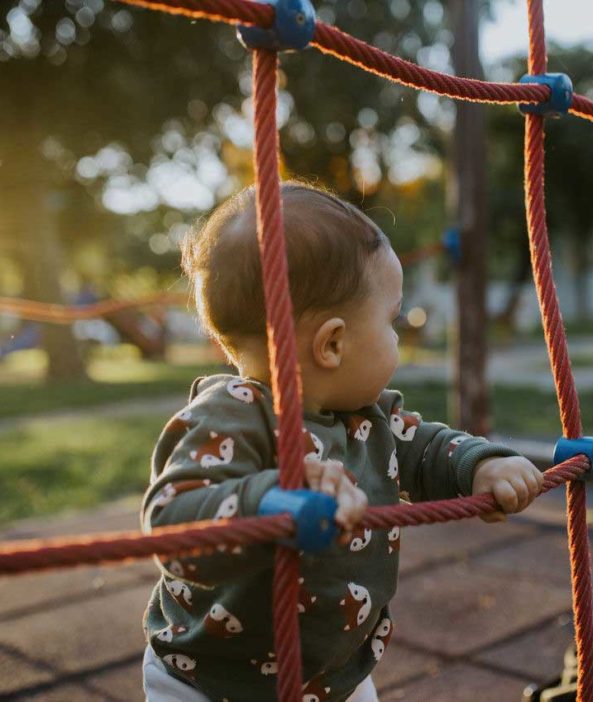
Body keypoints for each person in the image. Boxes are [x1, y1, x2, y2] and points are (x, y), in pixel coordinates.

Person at [141, 182, 543, 702]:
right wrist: (271, 496)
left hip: (332, 678)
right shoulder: (233, 415)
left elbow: (423, 447)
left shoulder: (369, 417)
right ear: (332, 343)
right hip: (209, 681)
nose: (398, 336)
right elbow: (172, 519)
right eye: (392, 320)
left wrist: (479, 465)